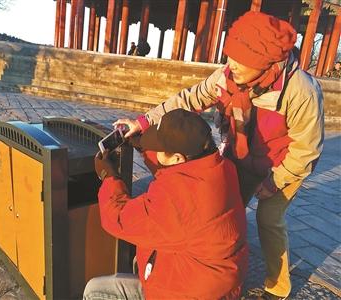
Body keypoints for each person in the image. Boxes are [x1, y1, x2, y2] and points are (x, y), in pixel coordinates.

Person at [114, 11, 324, 300]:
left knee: (268, 219)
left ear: (265, 62)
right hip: (239, 154)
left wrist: (275, 181)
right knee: (225, 212)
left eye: (240, 60)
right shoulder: (227, 76)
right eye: (230, 56)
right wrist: (144, 122)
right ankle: (222, 270)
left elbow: (307, 148)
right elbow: (189, 99)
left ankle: (278, 288)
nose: (230, 65)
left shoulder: (300, 91)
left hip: (283, 163)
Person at [85, 109, 248, 299]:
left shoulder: (177, 201)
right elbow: (176, 170)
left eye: (159, 148)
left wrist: (109, 177)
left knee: (96, 291)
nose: (156, 150)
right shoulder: (219, 167)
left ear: (178, 157)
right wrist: (142, 146)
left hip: (183, 293)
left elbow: (118, 218)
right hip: (210, 282)